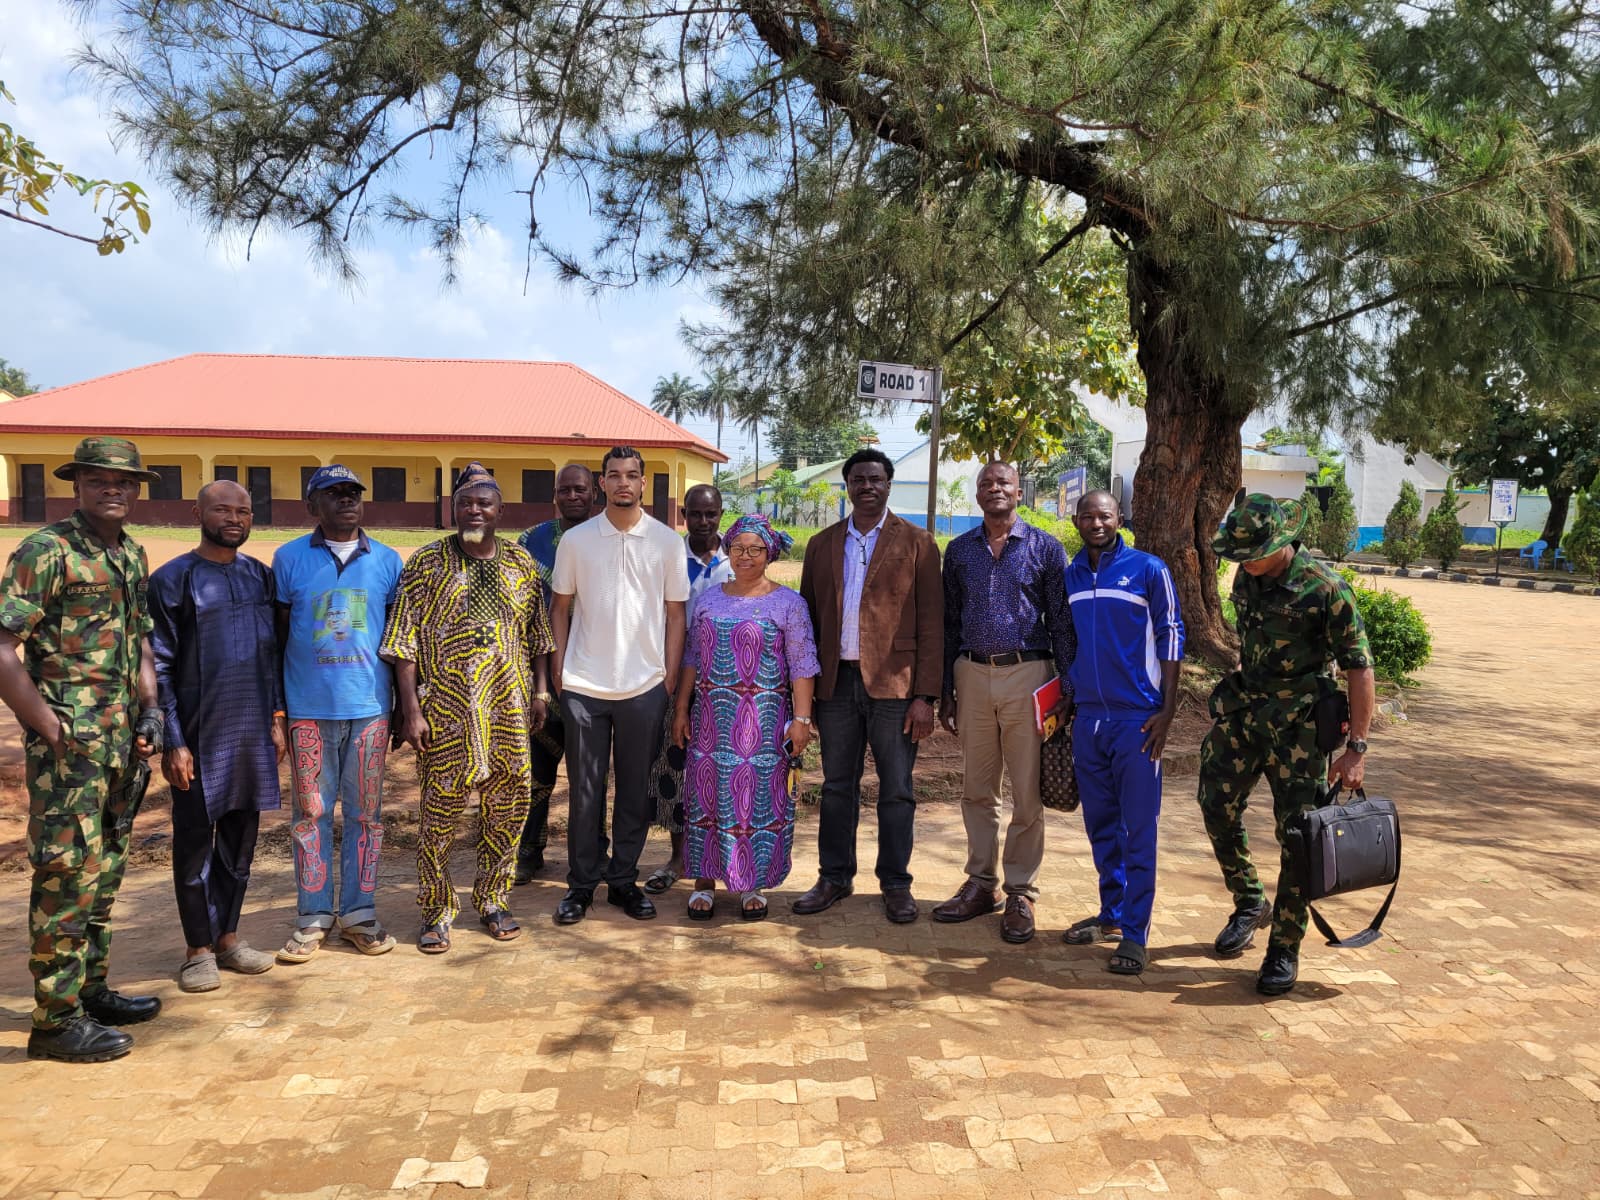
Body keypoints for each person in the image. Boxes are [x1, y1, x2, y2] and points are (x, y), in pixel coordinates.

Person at [0, 437, 163, 1063]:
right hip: (69, 752)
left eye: (123, 482)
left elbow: (141, 640)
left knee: (106, 869)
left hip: (120, 741)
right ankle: (55, 1020)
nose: (112, 490)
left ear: (136, 489)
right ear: (78, 486)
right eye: (99, 480)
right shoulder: (46, 551)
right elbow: (2, 647)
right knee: (67, 874)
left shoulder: (130, 552)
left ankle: (89, 992)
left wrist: (151, 708)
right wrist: (47, 725)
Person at [1200, 493, 1375, 996]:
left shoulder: (1326, 589)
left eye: (1254, 554)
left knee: (1297, 835)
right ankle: (1250, 901)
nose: (1245, 563)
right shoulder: (1246, 577)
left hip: (1300, 728)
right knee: (1215, 805)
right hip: (1245, 713)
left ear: (1282, 542)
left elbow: (1360, 669)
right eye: (1240, 556)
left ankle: (1284, 946)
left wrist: (1356, 750)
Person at [382, 463, 555, 952]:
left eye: (484, 503)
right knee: (439, 814)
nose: (474, 510)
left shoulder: (521, 563)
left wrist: (541, 693)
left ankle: (493, 899)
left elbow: (538, 636)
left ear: (500, 510)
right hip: (446, 712)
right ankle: (436, 910)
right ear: (453, 509)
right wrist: (410, 710)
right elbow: (403, 642)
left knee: (508, 808)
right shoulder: (426, 563)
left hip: (508, 711)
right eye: (465, 503)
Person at [794, 448, 943, 924]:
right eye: (858, 479)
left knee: (896, 789)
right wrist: (805, 694)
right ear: (848, 485)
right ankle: (834, 877)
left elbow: (932, 624)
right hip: (836, 686)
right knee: (837, 786)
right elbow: (806, 620)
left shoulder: (918, 542)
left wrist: (926, 696)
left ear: (888, 485)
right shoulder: (822, 544)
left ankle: (896, 884)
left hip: (896, 688)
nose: (867, 487)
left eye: (876, 479)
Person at [150, 481, 288, 992]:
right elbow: (158, 665)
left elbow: (272, 654)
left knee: (239, 843)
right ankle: (198, 950)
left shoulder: (260, 577)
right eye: (223, 510)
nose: (234, 519)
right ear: (198, 513)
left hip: (250, 730)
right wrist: (173, 740)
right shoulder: (173, 579)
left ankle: (228, 937)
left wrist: (276, 717)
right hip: (196, 734)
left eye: (243, 511)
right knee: (193, 845)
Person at [932, 462, 1074, 945]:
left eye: (1003, 483)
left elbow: (1061, 621)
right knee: (977, 788)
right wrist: (946, 688)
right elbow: (950, 621)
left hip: (1028, 674)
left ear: (1018, 492)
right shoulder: (960, 551)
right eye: (986, 484)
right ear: (977, 495)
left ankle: (1020, 891)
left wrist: (1067, 688)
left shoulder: (1045, 547)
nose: (995, 489)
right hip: (971, 674)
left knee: (1027, 791)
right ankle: (981, 883)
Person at [549, 445, 689, 925]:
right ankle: (582, 885)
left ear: (644, 483)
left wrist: (667, 676)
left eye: (632, 475)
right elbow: (560, 608)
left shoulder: (667, 542)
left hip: (644, 686)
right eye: (614, 475)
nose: (623, 482)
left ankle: (624, 881)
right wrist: (560, 672)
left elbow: (676, 614)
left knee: (633, 793)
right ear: (602, 483)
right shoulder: (577, 540)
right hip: (584, 685)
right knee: (585, 792)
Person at [272, 464, 404, 963]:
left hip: (370, 710)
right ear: (312, 506)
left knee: (366, 815)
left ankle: (359, 913)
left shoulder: (388, 560)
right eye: (333, 493)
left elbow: (398, 641)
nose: (346, 500)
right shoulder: (288, 559)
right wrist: (278, 709)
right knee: (311, 815)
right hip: (308, 709)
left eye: (353, 493)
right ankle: (312, 916)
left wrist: (401, 708)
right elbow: (277, 638)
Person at [1058, 490, 1184, 976]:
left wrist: (1167, 709)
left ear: (1121, 518)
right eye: (1087, 516)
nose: (1096, 523)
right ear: (1076, 521)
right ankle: (1111, 913)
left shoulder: (1148, 569)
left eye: (1105, 515)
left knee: (1138, 828)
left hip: (1138, 721)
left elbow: (1171, 633)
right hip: (1089, 720)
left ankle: (1135, 933)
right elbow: (1069, 641)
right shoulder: (1070, 575)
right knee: (1101, 826)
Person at [671, 514, 818, 919]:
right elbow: (691, 657)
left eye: (755, 549)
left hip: (764, 723)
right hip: (710, 723)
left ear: (769, 554)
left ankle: (752, 882)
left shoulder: (789, 604)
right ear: (728, 551)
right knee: (706, 797)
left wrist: (802, 721)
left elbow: (802, 664)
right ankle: (704, 882)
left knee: (756, 800)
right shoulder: (709, 600)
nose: (745, 556)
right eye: (738, 548)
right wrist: (681, 708)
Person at [644, 482, 734, 895]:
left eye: (710, 514)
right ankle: (679, 857)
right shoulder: (668, 557)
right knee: (674, 766)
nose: (703, 521)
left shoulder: (738, 557)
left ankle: (726, 856)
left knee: (723, 769)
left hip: (729, 684)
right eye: (695, 514)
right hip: (674, 678)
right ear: (683, 515)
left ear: (721, 514)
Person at [513, 463, 598, 884]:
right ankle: (529, 852)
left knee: (591, 775)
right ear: (555, 495)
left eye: (580, 489)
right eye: (565, 490)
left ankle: (593, 853)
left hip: (595, 675)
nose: (572, 496)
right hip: (541, 675)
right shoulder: (530, 541)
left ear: (594, 493)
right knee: (537, 770)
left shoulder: (607, 538)